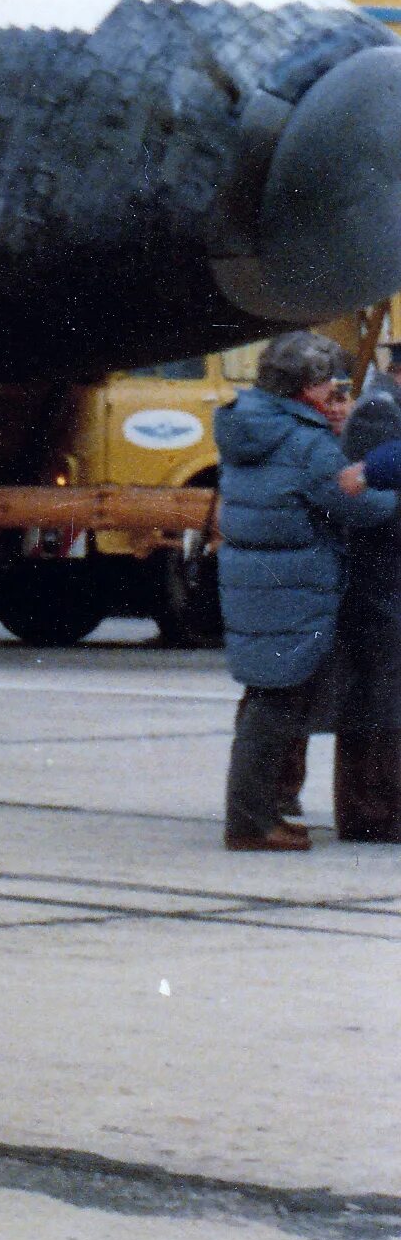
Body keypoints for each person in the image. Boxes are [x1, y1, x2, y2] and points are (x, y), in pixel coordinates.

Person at [213, 331, 390, 852]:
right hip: (294, 584)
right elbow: (360, 506)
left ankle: (257, 813)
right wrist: (389, 488)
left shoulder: (251, 426)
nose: (335, 393)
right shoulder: (305, 442)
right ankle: (251, 822)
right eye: (330, 384)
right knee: (278, 704)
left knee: (267, 698)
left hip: (258, 579)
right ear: (308, 389)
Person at [330, 353, 401, 841]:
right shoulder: (380, 411)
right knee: (379, 695)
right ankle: (371, 812)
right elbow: (370, 503)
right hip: (380, 578)